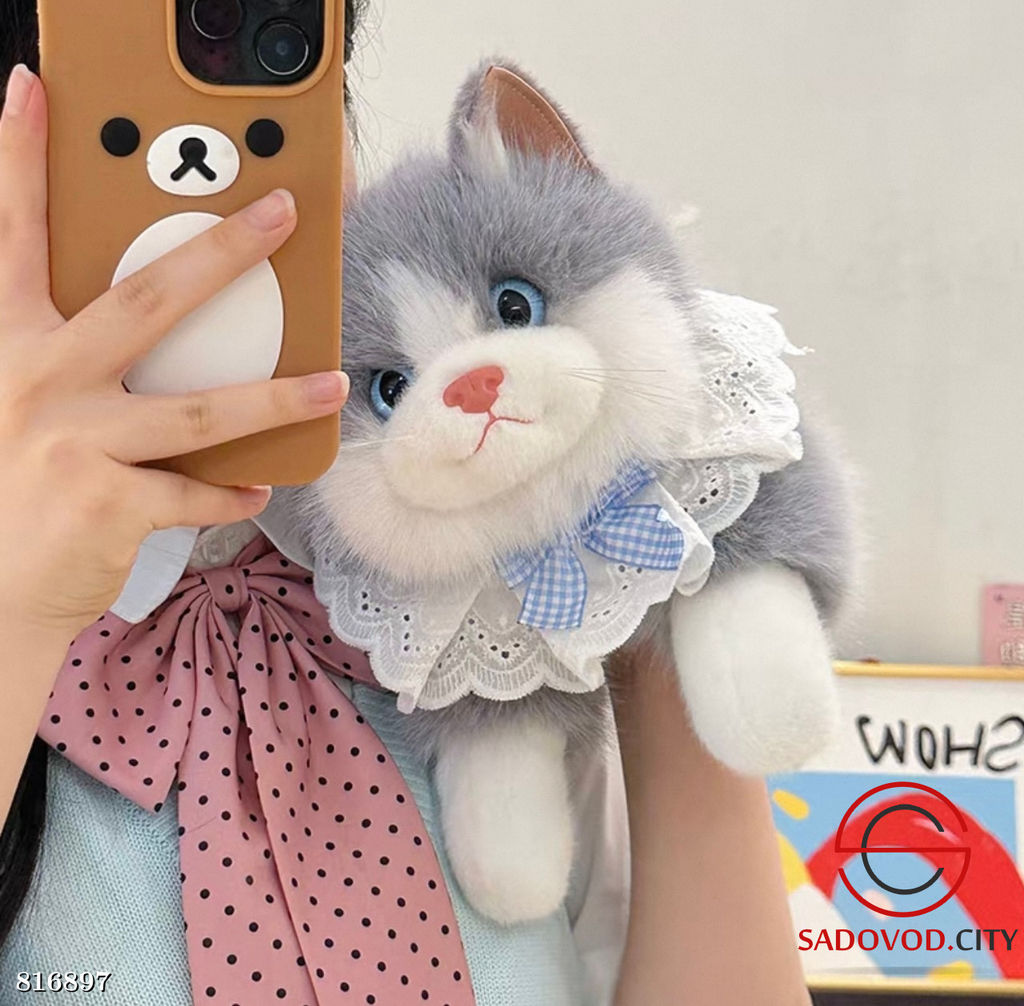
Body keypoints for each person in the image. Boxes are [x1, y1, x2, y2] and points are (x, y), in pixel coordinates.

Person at [0, 2, 813, 1003]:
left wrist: (673, 569)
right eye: (106, 132)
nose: (194, 190)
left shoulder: (481, 606)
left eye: (271, 81)